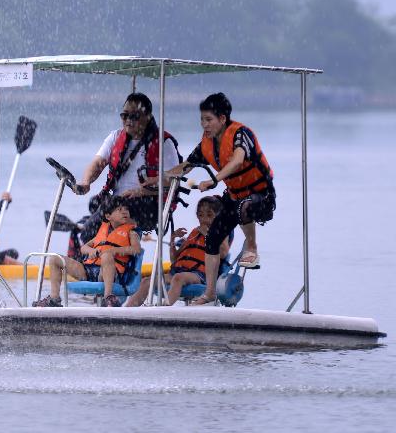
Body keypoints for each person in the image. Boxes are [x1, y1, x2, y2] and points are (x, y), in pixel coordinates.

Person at [161, 92, 275, 305]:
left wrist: (215, 179)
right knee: (212, 238)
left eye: (209, 120)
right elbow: (186, 166)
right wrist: (162, 177)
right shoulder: (207, 143)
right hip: (234, 195)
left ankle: (252, 247)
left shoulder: (241, 134)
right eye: (202, 120)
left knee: (244, 207)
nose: (204, 125)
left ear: (222, 119)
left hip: (261, 195)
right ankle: (210, 292)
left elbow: (237, 161)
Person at [74, 92, 181, 244]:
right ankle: (95, 265)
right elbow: (98, 163)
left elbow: (173, 180)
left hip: (149, 204)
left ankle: (115, 261)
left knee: (96, 231)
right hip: (118, 202)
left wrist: (140, 191)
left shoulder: (164, 143)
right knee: (89, 228)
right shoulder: (115, 136)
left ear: (147, 117)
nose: (128, 120)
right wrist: (85, 182)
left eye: (135, 116)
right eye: (125, 115)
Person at [33, 196, 142, 308]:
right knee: (55, 259)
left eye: (126, 209)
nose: (124, 212)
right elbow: (84, 248)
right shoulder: (103, 232)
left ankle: (108, 297)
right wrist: (91, 250)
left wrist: (113, 251)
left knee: (107, 256)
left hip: (110, 274)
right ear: (108, 216)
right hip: (88, 271)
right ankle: (54, 299)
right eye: (119, 209)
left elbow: (136, 249)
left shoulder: (131, 232)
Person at [124, 196, 230, 307]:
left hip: (199, 275)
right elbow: (174, 259)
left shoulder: (221, 232)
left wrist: (207, 234)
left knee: (178, 278)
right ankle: (127, 311)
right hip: (178, 270)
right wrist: (172, 239)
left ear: (217, 217)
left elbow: (223, 253)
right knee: (147, 281)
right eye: (200, 215)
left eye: (209, 215)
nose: (204, 219)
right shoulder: (194, 232)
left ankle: (164, 307)